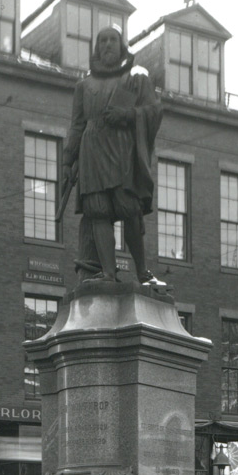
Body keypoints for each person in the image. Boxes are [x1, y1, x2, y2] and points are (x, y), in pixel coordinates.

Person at [61, 25, 166, 287]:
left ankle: (142, 272)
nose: (107, 44)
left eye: (112, 40)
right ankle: (108, 273)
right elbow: (77, 125)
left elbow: (154, 111)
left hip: (122, 151)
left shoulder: (135, 78)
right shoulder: (84, 85)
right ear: (97, 47)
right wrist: (67, 160)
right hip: (91, 152)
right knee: (98, 211)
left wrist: (128, 115)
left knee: (129, 208)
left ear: (121, 46)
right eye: (103, 40)